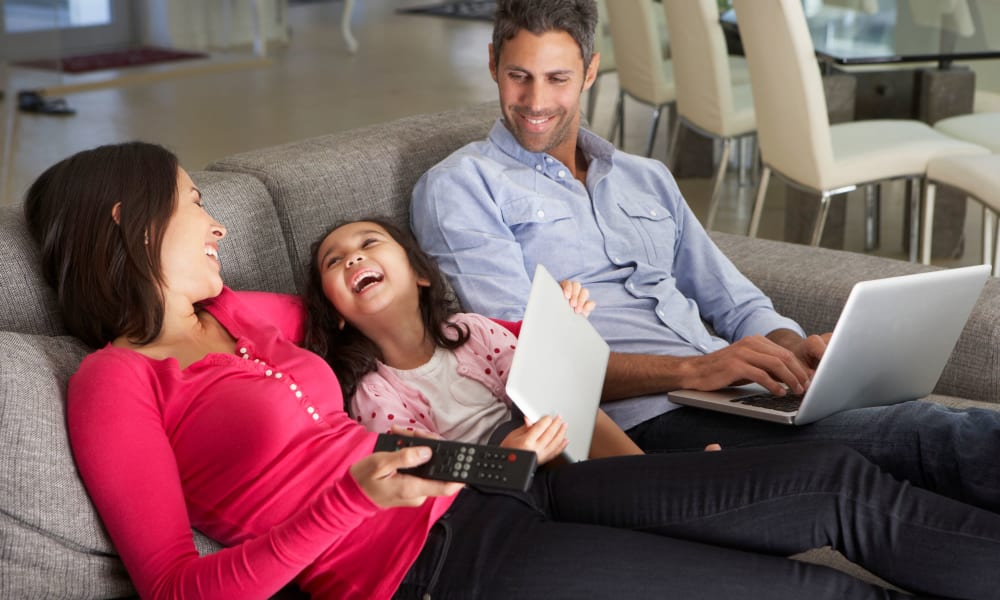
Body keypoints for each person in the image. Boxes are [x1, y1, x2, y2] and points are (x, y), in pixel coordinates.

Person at [26, 142, 1000, 599]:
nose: (221, 224)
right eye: (197, 203)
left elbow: (385, 303)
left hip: (500, 478)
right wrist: (350, 499)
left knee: (832, 484)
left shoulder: (240, 318)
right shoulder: (115, 382)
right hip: (428, 568)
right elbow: (171, 587)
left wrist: (537, 351)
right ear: (128, 218)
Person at [410, 0, 1000, 512]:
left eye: (557, 78)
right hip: (650, 422)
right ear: (491, 63)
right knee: (935, 435)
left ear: (590, 71)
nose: (536, 101)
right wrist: (696, 371)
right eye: (519, 76)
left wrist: (795, 351)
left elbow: (735, 300)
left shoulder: (645, 177)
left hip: (737, 395)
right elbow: (526, 364)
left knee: (937, 439)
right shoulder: (462, 186)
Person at [300, 217, 643, 462]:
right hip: (492, 483)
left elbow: (537, 383)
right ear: (337, 313)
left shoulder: (472, 330)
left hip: (543, 435)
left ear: (419, 274)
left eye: (369, 243)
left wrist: (561, 325)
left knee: (567, 409)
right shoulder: (372, 391)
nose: (353, 258)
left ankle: (645, 472)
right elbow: (426, 465)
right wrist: (510, 457)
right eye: (335, 261)